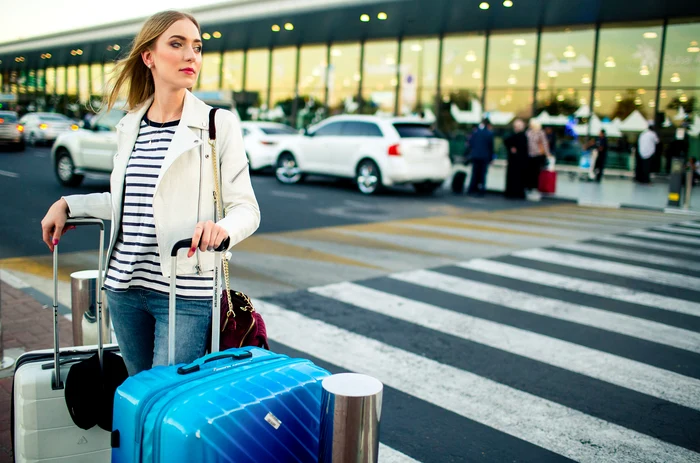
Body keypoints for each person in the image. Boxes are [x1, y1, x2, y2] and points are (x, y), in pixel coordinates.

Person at [40, 11, 260, 376]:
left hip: (186, 291)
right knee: (137, 397)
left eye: (197, 47)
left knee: (162, 399)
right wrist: (68, 204)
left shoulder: (217, 124)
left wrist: (223, 230)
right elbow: (131, 202)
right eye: (177, 44)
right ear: (149, 56)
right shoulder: (130, 125)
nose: (192, 56)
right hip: (123, 287)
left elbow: (246, 208)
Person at [466, 118, 494, 196]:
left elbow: (470, 143)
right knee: (483, 174)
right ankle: (481, 190)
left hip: (475, 156)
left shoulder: (475, 132)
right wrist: (491, 158)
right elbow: (491, 147)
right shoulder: (489, 133)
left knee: (474, 173)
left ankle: (472, 189)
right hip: (484, 156)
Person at [525, 119, 550, 201]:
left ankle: (535, 189)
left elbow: (545, 143)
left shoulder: (540, 133)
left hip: (537, 155)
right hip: (529, 155)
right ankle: (529, 188)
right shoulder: (528, 132)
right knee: (529, 173)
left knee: (536, 173)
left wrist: (547, 154)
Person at [504, 119, 528, 199]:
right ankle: (515, 192)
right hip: (517, 161)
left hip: (516, 161)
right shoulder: (520, 136)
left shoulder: (519, 136)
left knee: (516, 177)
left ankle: (513, 192)